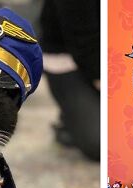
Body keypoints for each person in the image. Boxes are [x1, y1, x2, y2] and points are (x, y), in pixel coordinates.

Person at [39, 0, 100, 161]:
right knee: (101, 143)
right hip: (68, 57)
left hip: (121, 53)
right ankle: (71, 120)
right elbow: (83, 37)